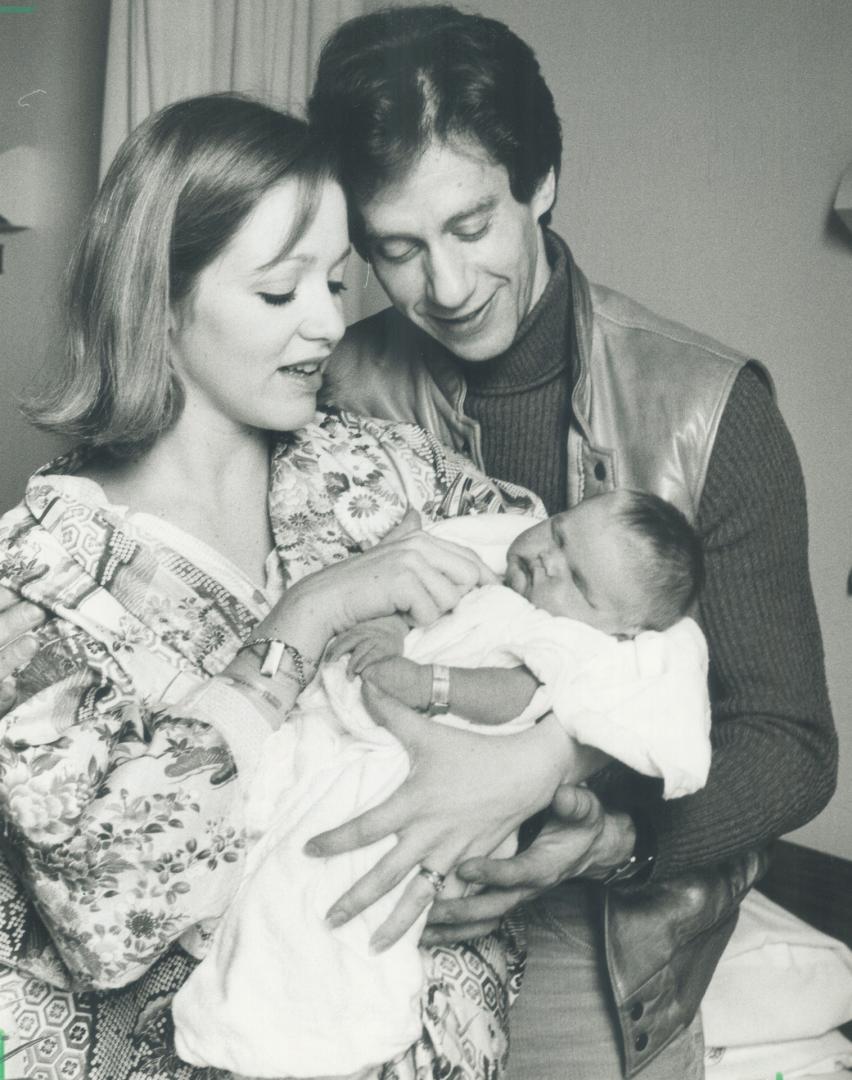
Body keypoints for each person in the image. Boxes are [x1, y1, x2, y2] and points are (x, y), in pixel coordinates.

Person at [0, 93, 597, 1080]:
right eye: (283, 292)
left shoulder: (385, 472)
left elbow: (622, 610)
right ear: (159, 298)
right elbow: (113, 900)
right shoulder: (33, 584)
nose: (330, 323)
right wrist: (307, 614)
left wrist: (547, 759)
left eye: (334, 279)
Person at [296, 6, 836, 1078]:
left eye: (470, 226)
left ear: (541, 182)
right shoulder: (327, 385)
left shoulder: (713, 410)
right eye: (396, 250)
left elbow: (789, 741)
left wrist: (594, 816)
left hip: (595, 961)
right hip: (350, 916)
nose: (444, 290)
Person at [172, 491, 712, 1077]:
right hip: (335, 728)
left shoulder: (570, 640)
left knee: (325, 887)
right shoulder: (482, 564)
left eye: (578, 580)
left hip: (418, 773)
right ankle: (223, 929)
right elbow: (398, 595)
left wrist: (433, 683)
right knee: (256, 822)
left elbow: (522, 695)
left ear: (622, 629)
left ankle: (293, 1028)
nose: (548, 560)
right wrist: (385, 629)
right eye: (558, 532)